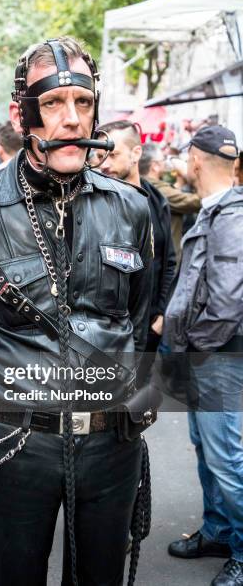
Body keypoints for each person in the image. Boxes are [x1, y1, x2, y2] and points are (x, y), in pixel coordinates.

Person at [0, 36, 154, 586]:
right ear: (21, 113)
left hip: (112, 447)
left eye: (83, 103)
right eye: (53, 104)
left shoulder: (131, 206)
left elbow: (138, 315)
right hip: (14, 450)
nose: (72, 120)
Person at [164, 125, 243, 586]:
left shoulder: (231, 215)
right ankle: (218, 531)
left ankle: (240, 546)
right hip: (207, 356)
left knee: (226, 459)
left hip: (216, 358)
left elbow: (229, 301)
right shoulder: (219, 210)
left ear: (195, 160)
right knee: (208, 451)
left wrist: (194, 346)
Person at [95, 120, 176, 365]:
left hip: (149, 328)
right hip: (107, 334)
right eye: (99, 156)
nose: (105, 164)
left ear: (136, 153)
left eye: (113, 154)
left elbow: (168, 261)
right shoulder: (94, 201)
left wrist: (161, 314)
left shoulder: (156, 200)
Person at [139, 143, 201, 263]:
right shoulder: (157, 189)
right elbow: (198, 202)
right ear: (155, 166)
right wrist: (189, 175)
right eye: (163, 159)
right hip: (167, 263)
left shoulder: (148, 185)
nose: (166, 163)